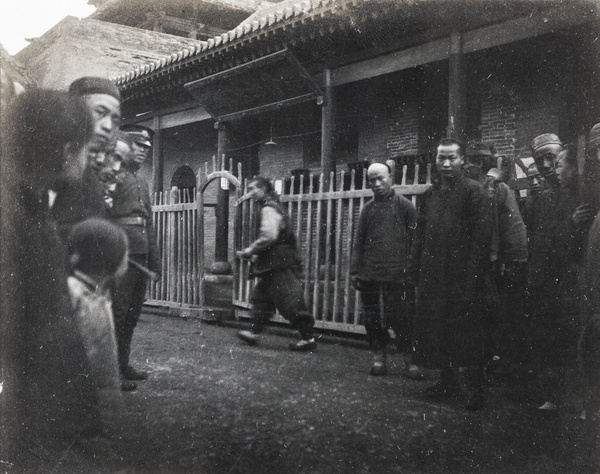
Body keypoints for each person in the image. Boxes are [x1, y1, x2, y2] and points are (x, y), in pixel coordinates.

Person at [0, 89, 98, 466]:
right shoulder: (13, 215)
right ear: (65, 149)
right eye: (85, 147)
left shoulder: (33, 202)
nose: (89, 158)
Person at [409, 138, 491, 410]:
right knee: (440, 329)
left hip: (463, 277)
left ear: (462, 161)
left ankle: (474, 390)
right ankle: (448, 381)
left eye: (452, 158)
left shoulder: (474, 192)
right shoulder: (429, 197)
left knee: (468, 333)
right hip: (434, 277)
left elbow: (481, 240)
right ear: (435, 160)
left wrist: (472, 280)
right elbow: (419, 238)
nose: (446, 164)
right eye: (441, 158)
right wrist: (414, 271)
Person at [527, 133, 594, 410]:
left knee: (574, 336)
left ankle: (578, 399)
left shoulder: (580, 193)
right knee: (548, 338)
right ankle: (553, 396)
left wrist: (571, 223)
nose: (545, 165)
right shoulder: (540, 199)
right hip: (545, 277)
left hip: (571, 276)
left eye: (551, 158)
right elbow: (539, 239)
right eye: (539, 159)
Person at [350, 162, 420, 377]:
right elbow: (358, 242)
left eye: (382, 178)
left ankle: (410, 362)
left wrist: (411, 269)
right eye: (373, 180)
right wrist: (355, 271)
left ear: (391, 178)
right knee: (372, 318)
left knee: (402, 317)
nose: (378, 184)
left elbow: (415, 241)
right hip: (370, 272)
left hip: (398, 274)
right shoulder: (368, 210)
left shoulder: (405, 206)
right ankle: (379, 358)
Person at [464, 142, 529, 373]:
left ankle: (505, 363)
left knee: (502, 311)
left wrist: (490, 259)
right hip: (505, 257)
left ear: (480, 164)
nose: (465, 165)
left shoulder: (491, 188)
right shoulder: (485, 186)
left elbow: (491, 227)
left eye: (469, 161)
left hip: (509, 259)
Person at [65, 218, 128, 448]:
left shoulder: (98, 295)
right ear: (108, 259)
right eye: (125, 254)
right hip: (86, 403)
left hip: (104, 391)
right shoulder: (77, 296)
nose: (127, 261)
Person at [236, 176, 317, 351]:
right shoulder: (274, 205)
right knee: (261, 299)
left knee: (290, 301)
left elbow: (269, 236)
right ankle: (254, 333)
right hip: (273, 263)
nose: (250, 193)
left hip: (279, 263)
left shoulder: (268, 208)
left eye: (253, 189)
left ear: (263, 189)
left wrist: (251, 250)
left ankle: (308, 339)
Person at [110, 128, 161, 391]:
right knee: (117, 313)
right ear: (126, 147)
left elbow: (149, 222)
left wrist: (155, 259)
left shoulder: (142, 181)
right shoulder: (113, 176)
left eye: (147, 147)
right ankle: (111, 373)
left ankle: (123, 365)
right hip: (121, 255)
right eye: (138, 146)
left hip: (141, 255)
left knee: (132, 314)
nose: (143, 150)